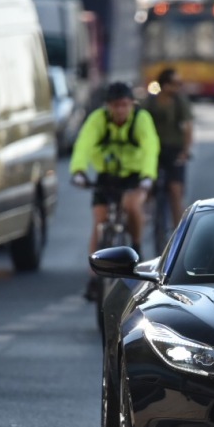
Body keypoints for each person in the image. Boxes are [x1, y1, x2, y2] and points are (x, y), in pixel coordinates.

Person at [70, 81, 161, 296]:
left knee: (131, 206)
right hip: (107, 176)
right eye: (115, 105)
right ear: (107, 106)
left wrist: (148, 177)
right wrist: (79, 171)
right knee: (100, 219)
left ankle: (137, 246)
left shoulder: (141, 120)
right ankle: (94, 276)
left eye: (124, 105)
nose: (120, 110)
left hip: (135, 176)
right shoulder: (98, 120)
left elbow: (150, 147)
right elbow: (83, 144)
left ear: (132, 104)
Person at [143, 67, 194, 240]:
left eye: (179, 84)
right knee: (146, 185)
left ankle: (179, 234)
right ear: (164, 85)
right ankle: (145, 216)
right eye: (174, 84)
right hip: (153, 150)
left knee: (175, 191)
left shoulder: (180, 102)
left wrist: (185, 152)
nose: (177, 87)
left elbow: (188, 127)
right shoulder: (150, 102)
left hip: (174, 150)